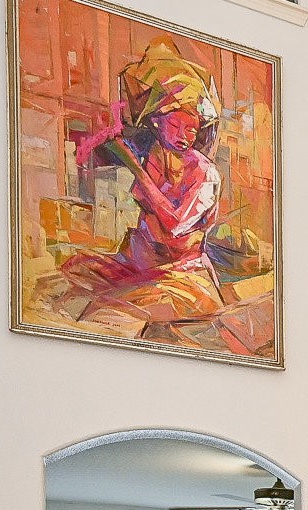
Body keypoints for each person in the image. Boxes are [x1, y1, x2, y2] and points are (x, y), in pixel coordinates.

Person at [49, 41, 226, 330]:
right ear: (156, 122)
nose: (185, 136)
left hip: (183, 279)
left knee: (104, 314)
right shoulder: (155, 159)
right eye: (176, 126)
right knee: (71, 275)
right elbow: (147, 226)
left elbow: (173, 223)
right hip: (143, 270)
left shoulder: (205, 173)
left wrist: (132, 165)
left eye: (192, 128)